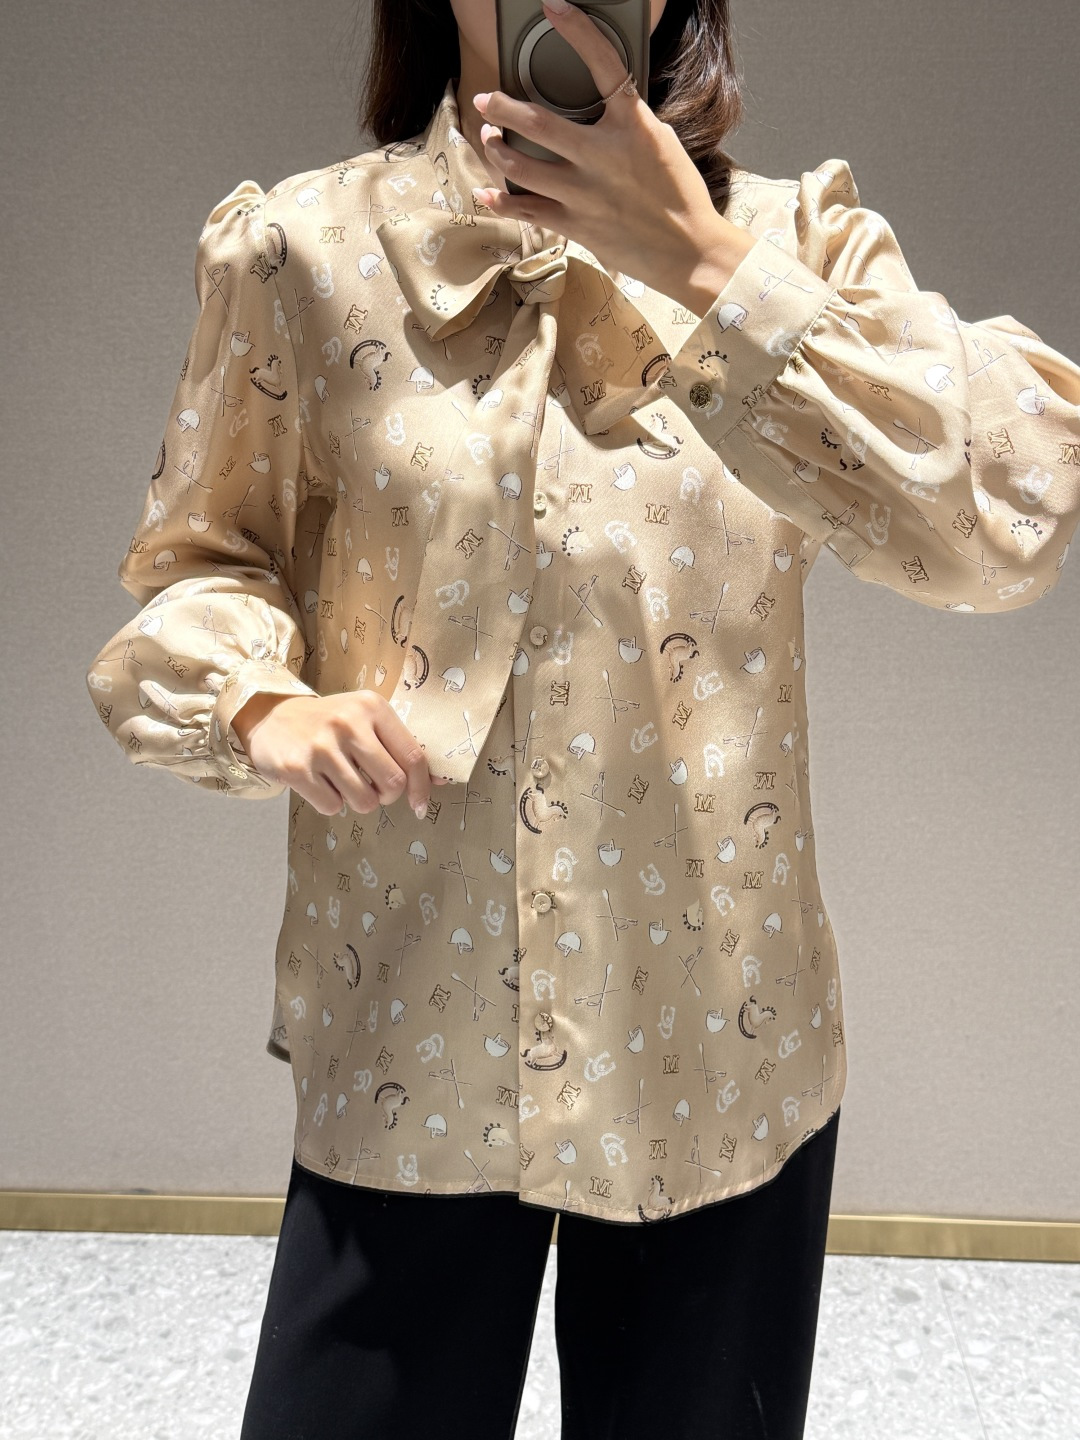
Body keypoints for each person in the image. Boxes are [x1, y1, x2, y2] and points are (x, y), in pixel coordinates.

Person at [84, 1, 1080, 1436]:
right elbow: (201, 559)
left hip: (716, 1041)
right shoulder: (302, 250)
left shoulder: (798, 247)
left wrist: (709, 269)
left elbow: (1014, 507)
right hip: (411, 1027)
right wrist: (253, 700)